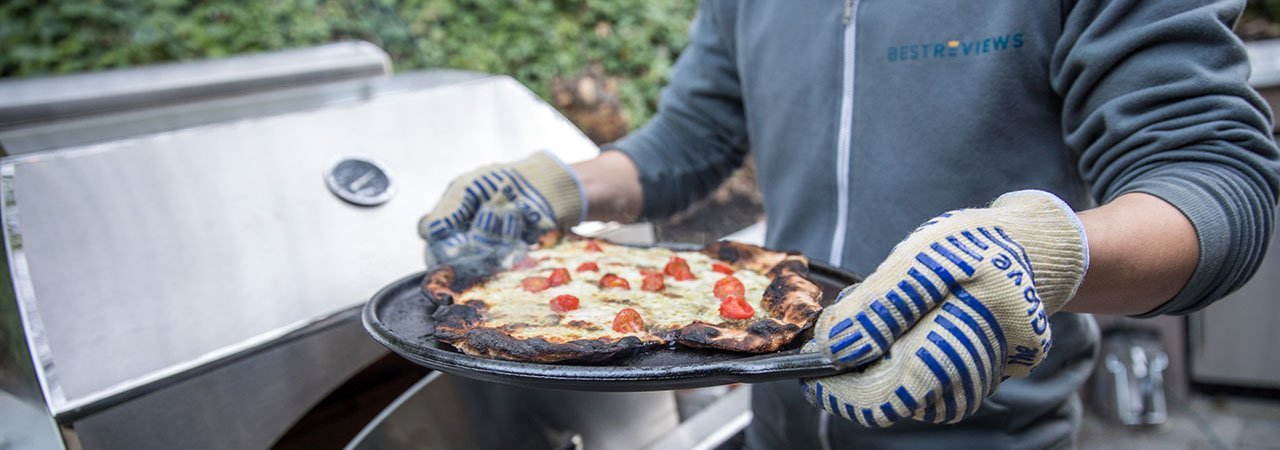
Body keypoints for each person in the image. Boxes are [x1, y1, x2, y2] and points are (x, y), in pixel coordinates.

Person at [419, 1, 1280, 448]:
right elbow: (692, 137)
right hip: (782, 420)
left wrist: (1041, 255)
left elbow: (1215, 179)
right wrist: (559, 185)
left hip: (983, 435)